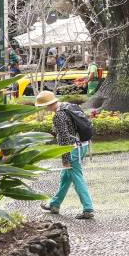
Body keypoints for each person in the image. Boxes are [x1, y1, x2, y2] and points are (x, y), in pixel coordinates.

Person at [37, 91, 95, 220]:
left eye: (43, 106)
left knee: (77, 177)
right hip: (83, 145)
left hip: (73, 149)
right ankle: (54, 204)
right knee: (65, 176)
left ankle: (88, 208)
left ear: (48, 105)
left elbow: (64, 139)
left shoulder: (59, 116)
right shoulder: (68, 106)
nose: (44, 109)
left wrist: (65, 159)